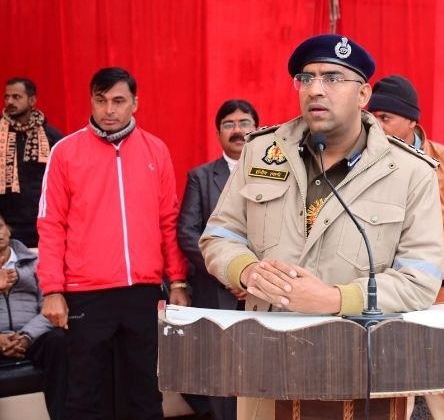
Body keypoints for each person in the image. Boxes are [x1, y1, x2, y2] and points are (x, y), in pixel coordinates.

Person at [199, 34, 444, 420]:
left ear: (363, 95)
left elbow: (420, 279)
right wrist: (247, 270)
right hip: (267, 362)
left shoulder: (409, 172)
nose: (315, 89)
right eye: (305, 78)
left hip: (364, 369)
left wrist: (335, 299)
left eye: (332, 78)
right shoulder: (261, 152)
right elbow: (220, 236)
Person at [37, 67, 190, 420]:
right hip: (86, 293)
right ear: (91, 101)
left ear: (135, 103)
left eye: (118, 101)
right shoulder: (65, 152)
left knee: (145, 396)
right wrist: (52, 290)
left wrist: (178, 281)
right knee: (84, 396)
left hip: (143, 291)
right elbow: (51, 224)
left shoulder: (156, 150)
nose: (109, 110)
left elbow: (168, 220)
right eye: (101, 100)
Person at [367, 74, 444, 420]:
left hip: (438, 291)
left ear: (412, 121)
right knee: (391, 383)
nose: (376, 125)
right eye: (372, 116)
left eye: (385, 117)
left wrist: (434, 274)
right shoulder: (363, 159)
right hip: (384, 289)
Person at [177, 98, 259, 420]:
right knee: (220, 368)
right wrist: (229, 274)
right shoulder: (200, 177)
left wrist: (256, 278)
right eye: (229, 124)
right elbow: (188, 232)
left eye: (244, 123)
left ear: (257, 130)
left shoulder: (276, 174)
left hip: (263, 290)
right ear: (218, 133)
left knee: (259, 364)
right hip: (216, 290)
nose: (237, 130)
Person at [0, 214, 67, 420]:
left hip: (31, 336)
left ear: (9, 230)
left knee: (59, 340)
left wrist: (27, 337)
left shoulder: (35, 263)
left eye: (0, 226)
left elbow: (49, 308)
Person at [0, 77, 62, 248]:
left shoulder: (51, 137)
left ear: (32, 100)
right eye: (7, 97)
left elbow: (63, 180)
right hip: (5, 226)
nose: (9, 102)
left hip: (43, 223)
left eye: (16, 97)